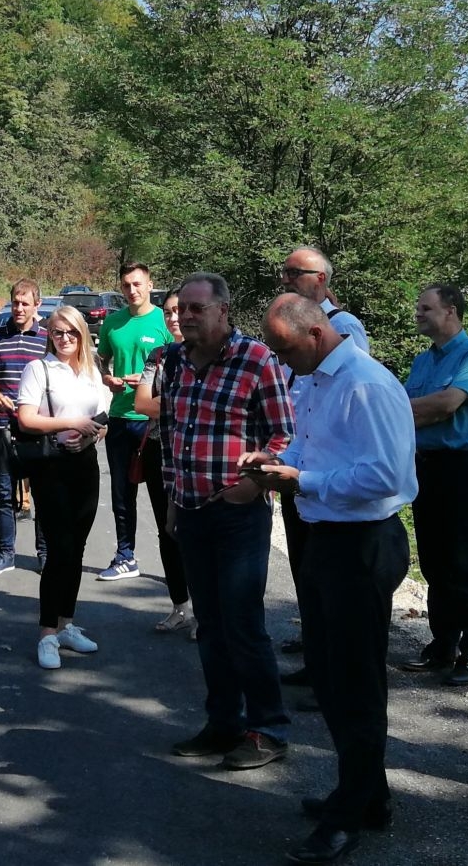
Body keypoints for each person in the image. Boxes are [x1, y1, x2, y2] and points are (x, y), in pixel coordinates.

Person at [243, 295, 417, 865]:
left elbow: (387, 474)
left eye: (286, 348)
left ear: (316, 333)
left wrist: (305, 480)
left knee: (355, 683)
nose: (281, 360)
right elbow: (308, 447)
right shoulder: (314, 377)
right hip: (327, 540)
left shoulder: (365, 383)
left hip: (363, 544)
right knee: (331, 674)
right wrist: (274, 465)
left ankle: (350, 814)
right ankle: (369, 795)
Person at [157, 273, 295, 773]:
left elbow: (286, 435)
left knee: (242, 624)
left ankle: (268, 728)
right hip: (191, 510)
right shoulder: (175, 360)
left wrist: (256, 483)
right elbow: (171, 431)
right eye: (182, 309)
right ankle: (223, 723)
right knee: (210, 625)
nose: (187, 317)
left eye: (197, 309)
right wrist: (173, 498)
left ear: (223, 310)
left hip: (237, 512)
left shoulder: (256, 360)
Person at [397, 284, 468, 686]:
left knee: (464, 561)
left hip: (460, 469)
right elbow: (417, 410)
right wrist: (411, 413)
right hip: (425, 467)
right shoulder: (424, 362)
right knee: (435, 559)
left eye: (425, 307)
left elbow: (445, 405)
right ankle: (443, 645)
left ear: (451, 311)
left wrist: (400, 413)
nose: (418, 313)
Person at [274, 245, 369, 669]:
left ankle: (329, 661)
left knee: (326, 572)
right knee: (305, 566)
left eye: (296, 272)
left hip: (324, 463)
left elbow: (351, 394)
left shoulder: (343, 325)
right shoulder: (293, 326)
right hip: (298, 453)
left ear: (322, 278)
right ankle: (316, 648)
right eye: (285, 273)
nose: (287, 279)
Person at [13, 305, 111, 669]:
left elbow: (103, 423)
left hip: (84, 465)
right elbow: (26, 419)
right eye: (57, 332)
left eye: (71, 332)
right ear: (49, 335)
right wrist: (73, 423)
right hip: (51, 466)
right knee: (59, 550)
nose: (65, 338)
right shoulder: (39, 369)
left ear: (83, 333)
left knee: (78, 550)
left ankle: (66, 624)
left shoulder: (91, 370)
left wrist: (90, 436)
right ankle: (46, 634)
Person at [94, 262, 172, 580]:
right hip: (120, 417)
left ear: (149, 285)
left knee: (161, 495)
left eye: (137, 284)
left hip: (152, 421)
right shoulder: (112, 323)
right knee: (122, 494)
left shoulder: (164, 320)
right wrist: (107, 378)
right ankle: (125, 556)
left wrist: (146, 379)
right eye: (126, 285)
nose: (132, 290)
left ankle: (174, 562)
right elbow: (101, 359)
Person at [0, 280, 51, 575]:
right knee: (5, 493)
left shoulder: (48, 338)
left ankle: (44, 554)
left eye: (25, 303)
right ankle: (6, 553)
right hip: (4, 427)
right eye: (15, 303)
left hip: (40, 429)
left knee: (44, 495)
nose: (19, 308)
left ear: (37, 304)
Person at [133, 290, 194, 637]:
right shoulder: (158, 355)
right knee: (167, 530)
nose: (174, 317)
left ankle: (203, 610)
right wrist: (190, 405)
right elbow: (142, 403)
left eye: (180, 310)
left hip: (196, 456)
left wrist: (167, 403)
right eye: (169, 311)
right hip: (160, 451)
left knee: (197, 531)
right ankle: (180, 606)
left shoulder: (209, 356)